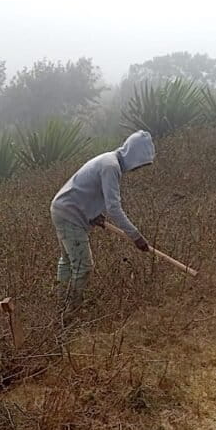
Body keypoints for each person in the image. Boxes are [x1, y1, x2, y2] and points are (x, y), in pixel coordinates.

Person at [50, 130, 155, 311]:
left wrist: (93, 213)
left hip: (61, 209)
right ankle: (70, 311)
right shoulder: (111, 167)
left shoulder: (108, 160)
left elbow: (87, 190)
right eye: (140, 164)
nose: (138, 169)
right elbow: (114, 208)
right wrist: (136, 236)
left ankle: (61, 304)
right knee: (83, 266)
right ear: (134, 156)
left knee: (68, 261)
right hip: (70, 215)